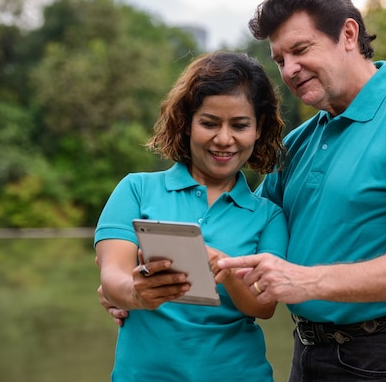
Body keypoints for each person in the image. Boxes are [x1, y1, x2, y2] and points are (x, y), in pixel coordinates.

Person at [212, 0, 386, 381]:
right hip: (308, 351)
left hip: (385, 356)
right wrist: (136, 285)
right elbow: (237, 229)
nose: (289, 70)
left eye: (300, 50)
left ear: (348, 34)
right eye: (279, 59)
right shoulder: (298, 143)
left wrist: (307, 281)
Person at [94, 51, 289, 381]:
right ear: (186, 124)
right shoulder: (136, 190)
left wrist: (225, 268)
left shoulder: (269, 216)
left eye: (240, 125)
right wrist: (136, 293)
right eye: (210, 123)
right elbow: (112, 277)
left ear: (259, 129)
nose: (224, 139)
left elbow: (263, 307)